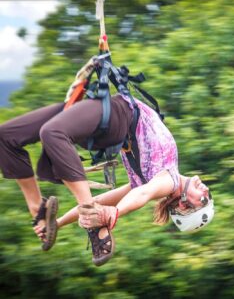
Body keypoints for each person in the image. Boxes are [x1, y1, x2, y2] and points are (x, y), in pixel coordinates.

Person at [0, 58, 214, 266]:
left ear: (184, 205)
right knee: (6, 137)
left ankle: (93, 224)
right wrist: (57, 224)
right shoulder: (149, 179)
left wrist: (115, 213)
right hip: (111, 112)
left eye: (203, 200)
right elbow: (103, 200)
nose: (206, 191)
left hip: (116, 117)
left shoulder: (170, 182)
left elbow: (142, 195)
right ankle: (39, 209)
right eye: (209, 196)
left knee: (52, 132)